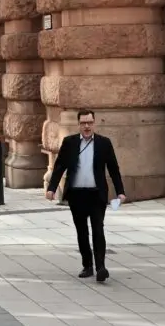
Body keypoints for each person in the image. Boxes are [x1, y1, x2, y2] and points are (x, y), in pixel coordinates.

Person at [46, 109, 126, 283]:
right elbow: (60, 166)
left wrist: (120, 191)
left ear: (94, 123)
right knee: (82, 231)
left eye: (90, 122)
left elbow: (113, 168)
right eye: (83, 123)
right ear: (79, 124)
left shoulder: (104, 143)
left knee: (98, 229)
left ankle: (101, 267)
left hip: (96, 194)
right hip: (77, 194)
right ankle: (87, 265)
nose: (87, 126)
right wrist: (52, 188)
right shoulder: (70, 143)